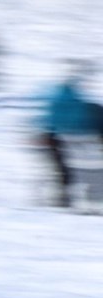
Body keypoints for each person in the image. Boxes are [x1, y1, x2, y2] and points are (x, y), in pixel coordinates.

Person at [37, 63, 103, 207]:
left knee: (64, 170)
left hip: (58, 141)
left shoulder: (55, 101)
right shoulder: (89, 107)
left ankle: (63, 196)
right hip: (82, 145)